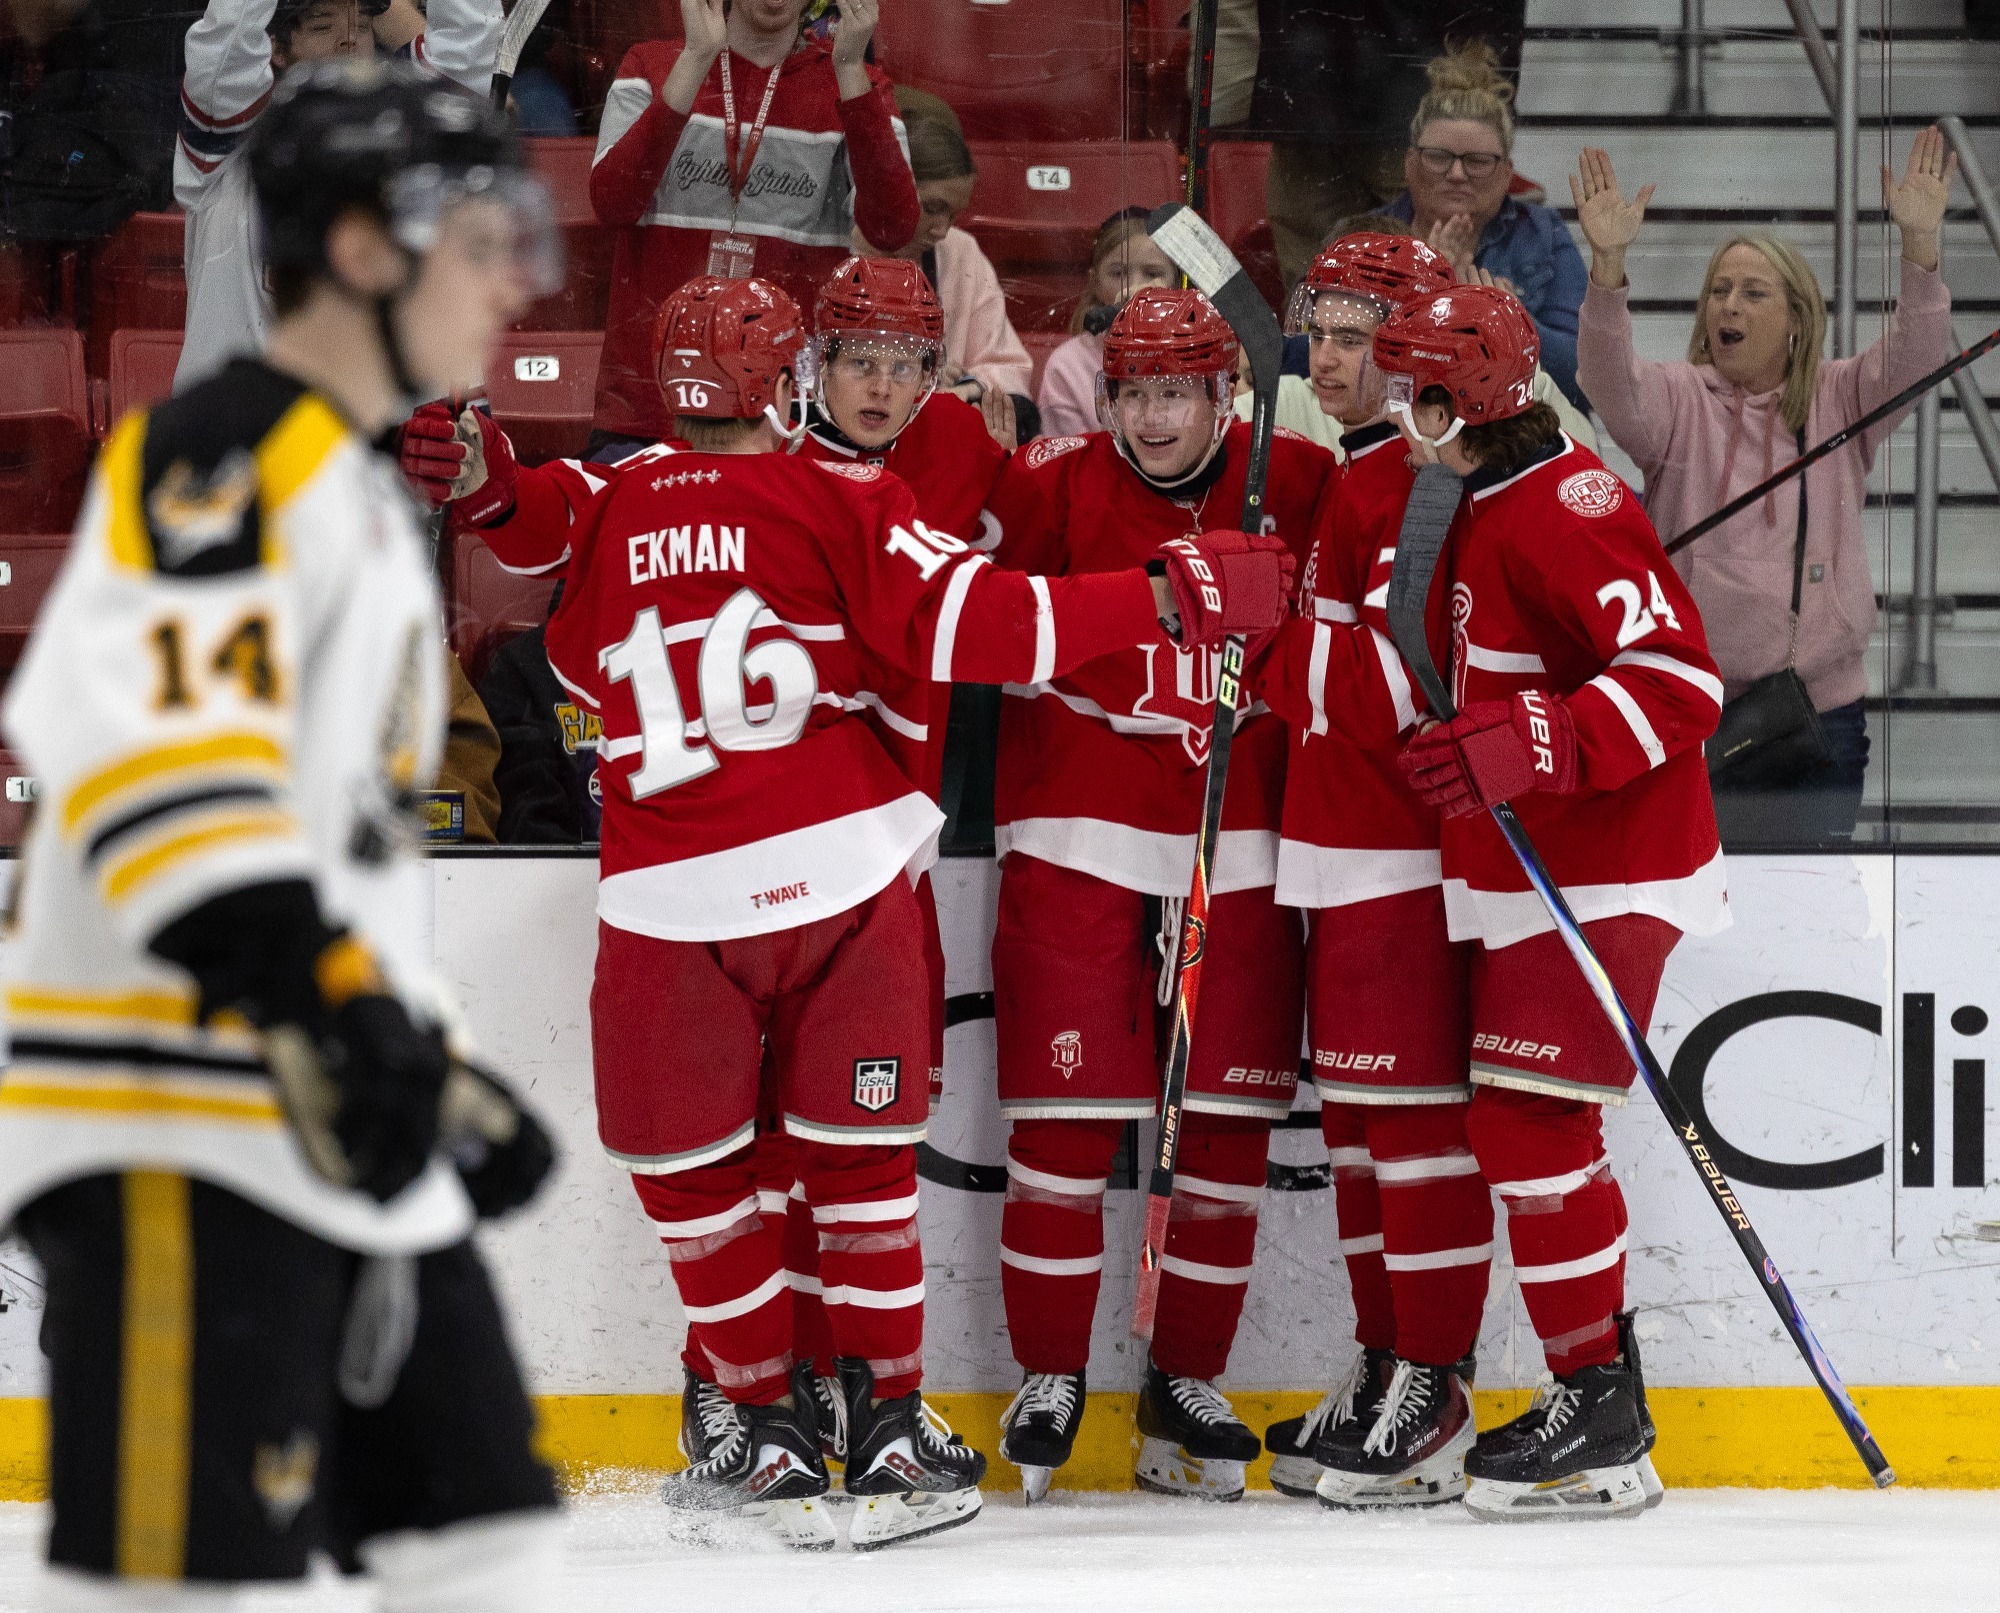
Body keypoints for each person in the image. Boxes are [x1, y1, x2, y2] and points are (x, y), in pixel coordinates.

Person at [513, 272, 1294, 1547]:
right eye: (851, 359)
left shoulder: (624, 494)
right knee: (860, 1169)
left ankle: (759, 1415)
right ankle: (878, 1417)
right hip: (837, 865)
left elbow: (561, 644)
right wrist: (1169, 592)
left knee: (702, 1180)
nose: (879, 384)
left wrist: (496, 487)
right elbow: (1002, 621)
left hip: (663, 888)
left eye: (903, 359)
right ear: (793, 377)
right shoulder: (844, 495)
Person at [0, 60, 562, 1606]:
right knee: (173, 1584)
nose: (514, 280)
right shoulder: (228, 466)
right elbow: (166, 801)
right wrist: (349, 1020)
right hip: (174, 1117)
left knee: (482, 1533)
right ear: (368, 255)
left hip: (320, 1105)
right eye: (479, 240)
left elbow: (319, 845)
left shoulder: (350, 491)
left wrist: (412, 1058)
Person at [1368, 283, 1728, 1518]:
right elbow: (1506, 681)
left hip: (1609, 860)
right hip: (1536, 862)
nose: (1382, 393)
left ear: (1449, 395)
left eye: (1404, 373)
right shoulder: (1476, 497)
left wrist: (1527, 742)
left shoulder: (1566, 503)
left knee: (1526, 1130)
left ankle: (1600, 1407)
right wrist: (1464, 742)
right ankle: (1601, 1393)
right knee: (1523, 1130)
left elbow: (1681, 681)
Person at [981, 286, 1335, 1503]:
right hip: (1078, 833)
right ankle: (1048, 1372)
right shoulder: (1047, 483)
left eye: (1174, 392)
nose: (1149, 417)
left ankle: (1184, 1375)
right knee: (1063, 1123)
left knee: (1225, 1128)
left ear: (1222, 393)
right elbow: (974, 619)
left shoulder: (1291, 471)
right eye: (1129, 391)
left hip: (1233, 843)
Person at [1246, 232, 1499, 1511]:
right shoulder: (1357, 474)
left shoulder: (1423, 481)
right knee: (1353, 1135)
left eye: (1359, 335)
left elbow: (1405, 687)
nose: (1330, 358)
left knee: (1409, 1133)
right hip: (1330, 847)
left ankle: (1435, 1382)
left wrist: (1256, 648)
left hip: (1403, 850)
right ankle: (1384, 1356)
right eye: (1324, 333)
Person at [1571, 135, 1958, 845]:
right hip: (1688, 708)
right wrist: (1608, 268)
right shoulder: (1678, 399)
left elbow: (1919, 355)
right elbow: (1604, 376)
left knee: (1813, 915)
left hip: (1818, 714)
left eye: (1753, 292)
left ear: (1796, 319)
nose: (1730, 305)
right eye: (1720, 290)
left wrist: (1921, 243)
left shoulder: (1842, 397)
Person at [586, 0, 918, 453]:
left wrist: (850, 68)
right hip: (651, 406)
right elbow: (612, 203)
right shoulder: (652, 64)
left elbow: (892, 229)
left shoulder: (857, 83)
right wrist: (697, 58)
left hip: (785, 415)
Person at [174, 0, 504, 391]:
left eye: (363, 25)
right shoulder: (230, 145)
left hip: (358, 432)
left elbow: (468, 44)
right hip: (239, 439)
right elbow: (226, 47)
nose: (349, 40)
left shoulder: (405, 150)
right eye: (322, 27)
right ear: (274, 48)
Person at [1239, 2, 1527, 289]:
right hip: (1308, 91)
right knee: (1316, 291)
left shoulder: (1540, 232)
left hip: (1406, 88)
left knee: (1437, 246)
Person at [1383, 42, 1586, 407]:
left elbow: (1583, 381)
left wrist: (1507, 322)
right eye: (1439, 158)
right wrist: (1424, 292)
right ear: (1409, 164)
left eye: (1477, 161)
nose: (1457, 174)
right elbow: (1310, 359)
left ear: (1507, 173)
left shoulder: (1542, 233)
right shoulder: (1368, 236)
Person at [875, 117, 1036, 416]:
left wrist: (967, 386)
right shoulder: (829, 248)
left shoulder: (960, 250)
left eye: (953, 215)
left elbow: (1010, 370)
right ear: (891, 187)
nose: (942, 231)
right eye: (933, 208)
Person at [1038, 207, 1183, 441]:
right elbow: (1068, 462)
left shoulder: (1198, 353)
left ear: (1176, 283)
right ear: (1095, 283)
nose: (1134, 289)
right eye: (1118, 274)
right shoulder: (1065, 367)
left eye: (1152, 273)